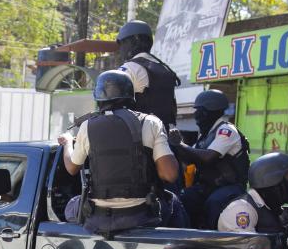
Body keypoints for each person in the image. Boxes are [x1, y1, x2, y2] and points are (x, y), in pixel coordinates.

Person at [58, 70, 179, 236]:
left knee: (70, 206)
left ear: (99, 98)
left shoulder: (87, 127)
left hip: (99, 218)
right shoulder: (150, 123)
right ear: (130, 95)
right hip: (140, 216)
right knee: (175, 202)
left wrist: (66, 143)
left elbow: (72, 168)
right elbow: (170, 175)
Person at [171, 89, 250, 229]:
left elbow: (208, 157)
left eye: (198, 110)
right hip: (209, 186)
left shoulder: (226, 131)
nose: (195, 115)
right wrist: (173, 146)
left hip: (230, 187)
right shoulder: (205, 136)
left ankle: (212, 239)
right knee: (182, 198)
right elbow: (190, 159)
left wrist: (180, 144)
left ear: (210, 111)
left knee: (214, 203)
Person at [116, 20, 181, 131]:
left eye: (122, 43)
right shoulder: (165, 68)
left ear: (134, 41)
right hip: (166, 135)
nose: (120, 49)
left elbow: (113, 105)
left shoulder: (130, 68)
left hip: (139, 137)